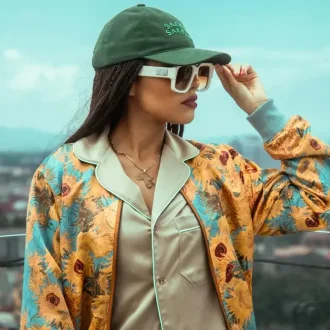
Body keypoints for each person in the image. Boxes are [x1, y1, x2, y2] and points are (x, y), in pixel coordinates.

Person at [20, 4, 330, 330]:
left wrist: (260, 109)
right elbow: (44, 309)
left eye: (200, 73)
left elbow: (319, 197)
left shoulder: (220, 171)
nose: (195, 85)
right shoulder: (60, 178)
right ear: (129, 81)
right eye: (181, 74)